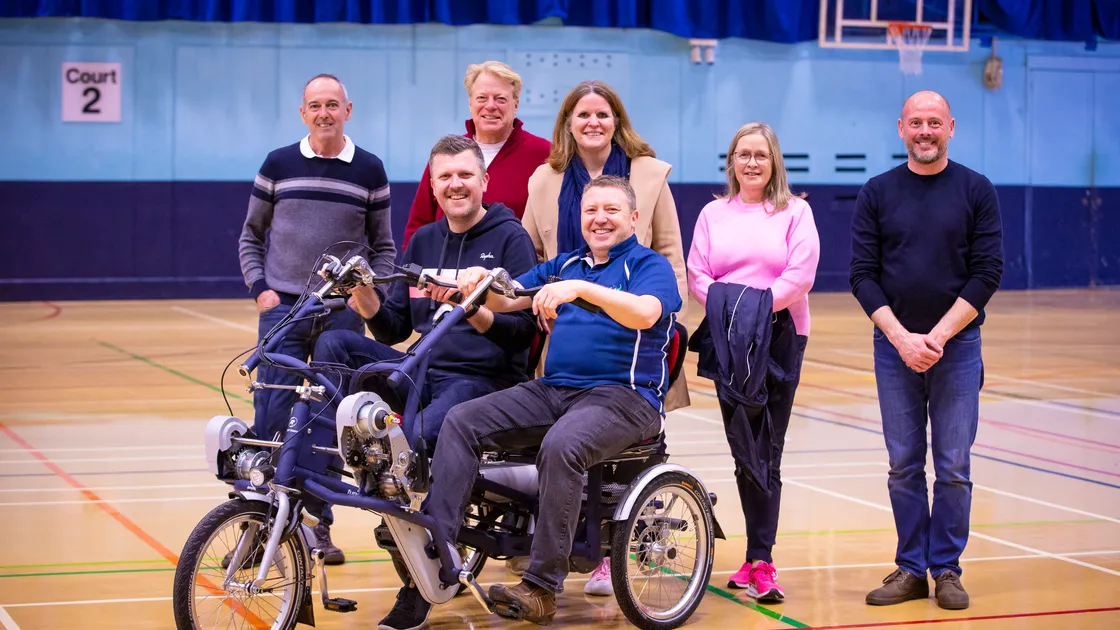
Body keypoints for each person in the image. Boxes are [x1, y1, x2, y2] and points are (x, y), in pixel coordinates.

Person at [412, 175, 681, 626]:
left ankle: (541, 587)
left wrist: (580, 289)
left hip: (624, 398)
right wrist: (477, 281)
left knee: (562, 445)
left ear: (634, 218)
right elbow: (507, 298)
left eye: (612, 210)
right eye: (591, 210)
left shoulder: (648, 265)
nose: (600, 219)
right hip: (556, 390)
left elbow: (646, 312)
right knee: (461, 421)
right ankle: (440, 547)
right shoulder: (567, 262)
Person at [310, 134, 538, 630]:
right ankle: (334, 455)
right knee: (335, 344)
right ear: (433, 186)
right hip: (422, 370)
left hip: (482, 379)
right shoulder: (424, 241)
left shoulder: (509, 238)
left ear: (483, 181)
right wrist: (366, 299)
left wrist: (473, 309)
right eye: (444, 177)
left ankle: (418, 585)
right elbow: (395, 326)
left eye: (464, 175)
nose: (455, 185)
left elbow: (522, 333)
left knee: (410, 444)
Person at [520, 83, 689, 593]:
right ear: (568, 123)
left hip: (632, 332)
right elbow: (530, 259)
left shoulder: (650, 175)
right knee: (552, 441)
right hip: (563, 328)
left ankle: (616, 551)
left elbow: (670, 255)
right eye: (582, 114)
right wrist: (540, 302)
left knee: (625, 450)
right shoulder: (546, 180)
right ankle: (553, 550)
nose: (593, 122)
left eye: (602, 113)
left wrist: (663, 328)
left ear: (616, 119)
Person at [850, 90, 1003, 611]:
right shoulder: (877, 192)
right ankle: (912, 568)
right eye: (916, 122)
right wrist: (901, 337)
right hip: (894, 348)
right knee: (904, 464)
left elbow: (988, 272)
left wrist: (937, 337)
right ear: (901, 128)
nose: (925, 131)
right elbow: (862, 276)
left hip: (956, 348)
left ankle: (947, 569)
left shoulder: (976, 190)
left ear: (951, 128)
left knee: (954, 465)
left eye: (934, 122)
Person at [236, 73, 396, 564]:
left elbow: (385, 250)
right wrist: (261, 290)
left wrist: (366, 296)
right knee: (270, 417)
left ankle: (316, 529)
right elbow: (251, 236)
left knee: (328, 423)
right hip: (283, 310)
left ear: (349, 110)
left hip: (341, 318)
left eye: (333, 104)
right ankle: (257, 529)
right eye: (314, 105)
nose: (324, 112)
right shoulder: (278, 164)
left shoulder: (369, 169)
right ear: (302, 113)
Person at [687, 122, 820, 603]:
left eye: (761, 155)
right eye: (743, 154)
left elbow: (799, 275)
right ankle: (751, 559)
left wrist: (752, 309)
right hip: (726, 338)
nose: (751, 162)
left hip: (780, 336)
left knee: (769, 449)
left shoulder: (795, 212)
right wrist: (735, 314)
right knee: (743, 447)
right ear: (732, 161)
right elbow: (697, 273)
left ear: (774, 161)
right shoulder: (712, 213)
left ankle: (762, 559)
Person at [402, 61, 551, 248]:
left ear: (516, 105)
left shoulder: (544, 155)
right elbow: (418, 226)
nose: (490, 106)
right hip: (443, 273)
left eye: (500, 99)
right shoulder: (446, 154)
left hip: (514, 272)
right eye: (482, 98)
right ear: (470, 103)